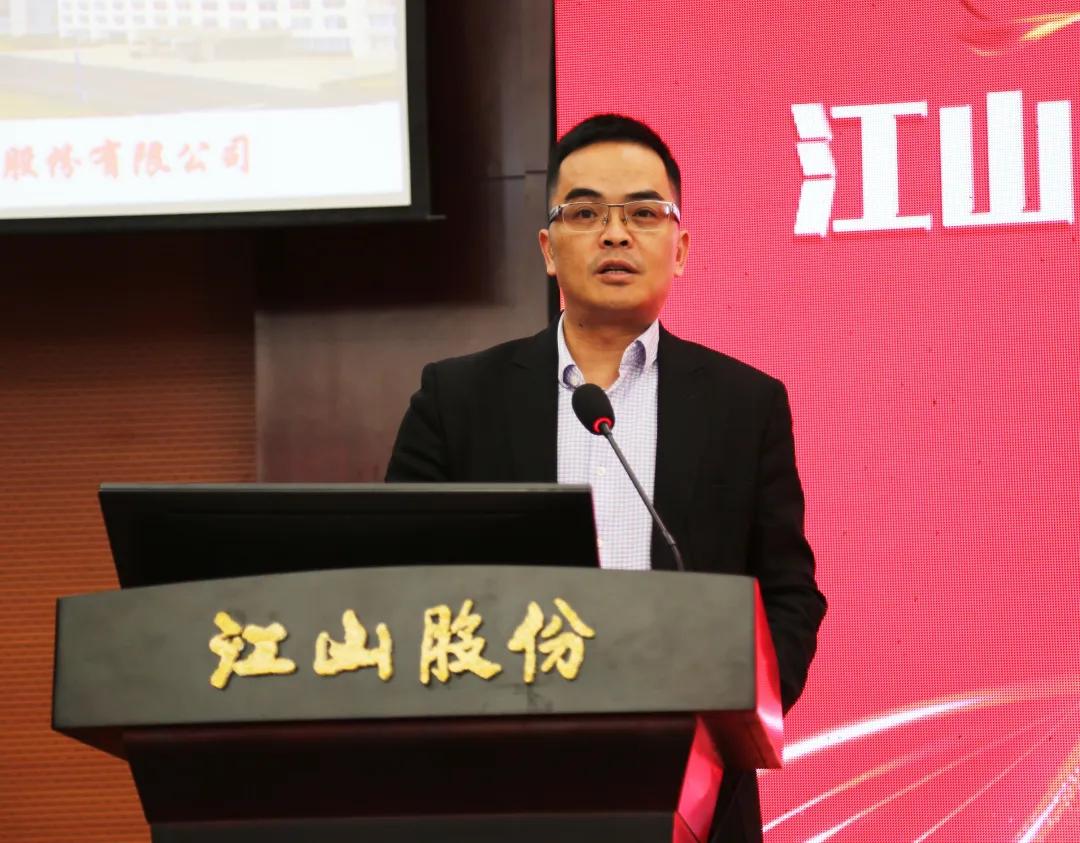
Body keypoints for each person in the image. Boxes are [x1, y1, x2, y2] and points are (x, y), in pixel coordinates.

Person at [386, 113, 826, 842]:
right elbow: (397, 581)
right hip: (496, 790)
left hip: (691, 794)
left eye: (643, 213)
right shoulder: (457, 399)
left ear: (680, 249)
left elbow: (786, 592)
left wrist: (734, 717)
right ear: (548, 248)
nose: (615, 234)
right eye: (586, 212)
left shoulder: (744, 404)